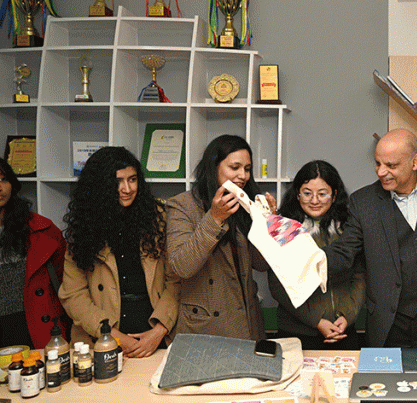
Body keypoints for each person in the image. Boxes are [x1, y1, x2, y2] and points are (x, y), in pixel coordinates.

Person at [323, 128, 417, 348]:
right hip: (386, 326)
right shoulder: (363, 202)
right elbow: (343, 252)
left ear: (415, 162)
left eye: (391, 165)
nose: (381, 172)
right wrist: (299, 254)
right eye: (378, 163)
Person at [59, 147, 180, 357]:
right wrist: (113, 336)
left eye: (132, 179)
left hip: (156, 335)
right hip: (100, 338)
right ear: (100, 185)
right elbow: (73, 295)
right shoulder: (83, 227)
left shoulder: (159, 218)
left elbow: (176, 281)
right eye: (118, 182)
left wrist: (159, 330)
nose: (127, 188)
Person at [166, 135, 275, 341]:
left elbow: (260, 265)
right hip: (206, 327)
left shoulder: (245, 204)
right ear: (213, 167)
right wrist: (214, 219)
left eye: (247, 169)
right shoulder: (182, 205)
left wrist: (268, 224)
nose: (243, 176)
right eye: (235, 167)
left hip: (248, 321)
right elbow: (182, 266)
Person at [268, 160, 365, 350]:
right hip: (297, 333)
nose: (314, 201)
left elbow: (360, 275)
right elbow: (278, 284)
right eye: (307, 193)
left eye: (322, 194)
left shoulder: (350, 229)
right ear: (297, 194)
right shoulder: (283, 227)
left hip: (344, 330)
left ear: (334, 195)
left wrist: (347, 315)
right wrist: (317, 321)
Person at [0, 158, 67, 349]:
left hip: (35, 326)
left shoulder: (42, 229)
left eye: (3, 179)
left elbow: (65, 282)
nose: (0, 187)